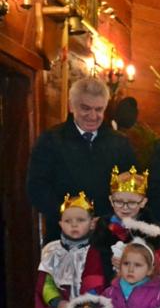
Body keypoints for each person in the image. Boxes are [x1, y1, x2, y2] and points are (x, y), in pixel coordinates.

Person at [27, 77, 137, 243]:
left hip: (109, 237)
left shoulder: (121, 143)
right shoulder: (50, 140)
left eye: (99, 109)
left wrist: (110, 219)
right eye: (85, 108)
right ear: (72, 106)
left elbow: (131, 188)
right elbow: (37, 187)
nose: (93, 116)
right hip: (64, 236)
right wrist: (72, 218)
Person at [81, 166, 160, 294]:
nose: (125, 207)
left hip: (145, 297)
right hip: (108, 296)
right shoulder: (103, 231)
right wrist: (94, 297)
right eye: (119, 202)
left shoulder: (154, 234)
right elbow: (92, 273)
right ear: (111, 201)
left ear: (143, 202)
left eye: (132, 203)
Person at [34, 192, 96, 308]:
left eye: (80, 220)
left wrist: (87, 307)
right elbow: (45, 284)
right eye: (68, 221)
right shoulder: (52, 251)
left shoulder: (97, 251)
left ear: (92, 223)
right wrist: (58, 303)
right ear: (61, 224)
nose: (74, 225)